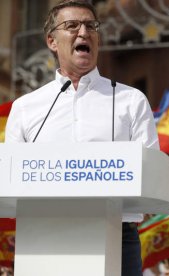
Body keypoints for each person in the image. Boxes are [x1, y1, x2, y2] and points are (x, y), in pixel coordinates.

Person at [5, 1, 159, 275]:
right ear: (52, 41)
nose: (84, 32)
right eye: (72, 26)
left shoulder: (130, 101)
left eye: (91, 26)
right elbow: (10, 178)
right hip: (43, 236)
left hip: (116, 235)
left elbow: (153, 175)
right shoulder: (25, 108)